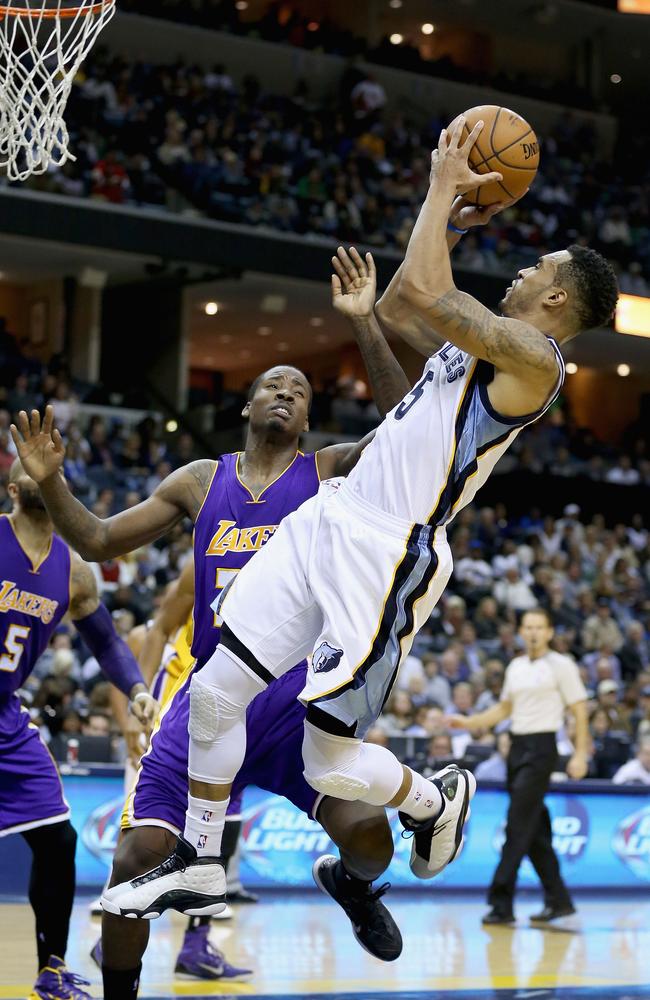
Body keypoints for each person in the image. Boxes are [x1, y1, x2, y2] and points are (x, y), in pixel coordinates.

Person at [15, 118, 619, 919]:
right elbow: (407, 297)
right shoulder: (485, 343)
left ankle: (433, 801)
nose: (518, 264)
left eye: (534, 265)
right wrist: (439, 217)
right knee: (217, 686)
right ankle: (199, 860)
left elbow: (435, 296)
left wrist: (444, 187)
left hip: (387, 551)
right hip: (331, 521)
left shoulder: (535, 362)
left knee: (330, 761)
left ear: (555, 298)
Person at [12, 250, 417, 996]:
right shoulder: (201, 481)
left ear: (306, 417)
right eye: (272, 383)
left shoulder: (324, 475)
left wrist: (364, 325)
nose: (286, 392)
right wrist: (53, 482)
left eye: (299, 390)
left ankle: (354, 888)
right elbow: (99, 541)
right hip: (209, 700)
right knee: (135, 861)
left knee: (371, 841)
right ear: (245, 405)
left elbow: (407, 434)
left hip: (295, 707)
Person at [0, 460, 156, 1000]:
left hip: (6, 719)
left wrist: (136, 688)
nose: (48, 476)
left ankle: (52, 968)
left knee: (58, 838)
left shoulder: (73, 571)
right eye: (35, 471)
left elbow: (108, 641)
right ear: (15, 489)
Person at [449, 608, 589, 925]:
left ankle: (501, 903)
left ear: (550, 632)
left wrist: (580, 754)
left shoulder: (561, 665)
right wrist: (469, 721)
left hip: (542, 748)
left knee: (516, 824)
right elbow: (505, 708)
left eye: (540, 626)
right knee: (534, 829)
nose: (534, 632)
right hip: (517, 746)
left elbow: (580, 710)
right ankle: (559, 900)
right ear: (521, 632)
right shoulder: (515, 666)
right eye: (528, 627)